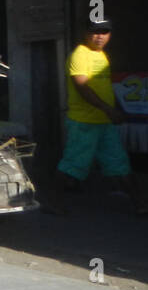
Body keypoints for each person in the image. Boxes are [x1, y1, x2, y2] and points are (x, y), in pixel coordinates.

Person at [47, 17, 148, 215]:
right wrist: (108, 110)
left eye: (104, 32)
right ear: (86, 33)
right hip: (83, 123)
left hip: (103, 122)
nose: (99, 36)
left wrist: (112, 109)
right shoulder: (80, 55)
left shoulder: (101, 56)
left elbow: (103, 88)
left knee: (119, 164)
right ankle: (52, 202)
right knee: (72, 166)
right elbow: (82, 86)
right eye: (95, 32)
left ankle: (140, 204)